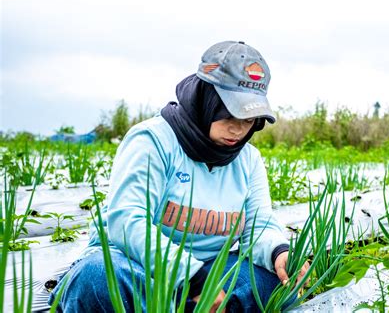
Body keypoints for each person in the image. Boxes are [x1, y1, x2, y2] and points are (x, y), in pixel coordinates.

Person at [49, 40, 308, 312]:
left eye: (248, 120)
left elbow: (259, 225)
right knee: (97, 277)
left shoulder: (248, 160)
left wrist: (278, 252)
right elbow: (127, 220)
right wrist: (190, 278)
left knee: (271, 279)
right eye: (229, 115)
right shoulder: (152, 140)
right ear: (206, 99)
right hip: (136, 265)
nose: (237, 130)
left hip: (210, 270)